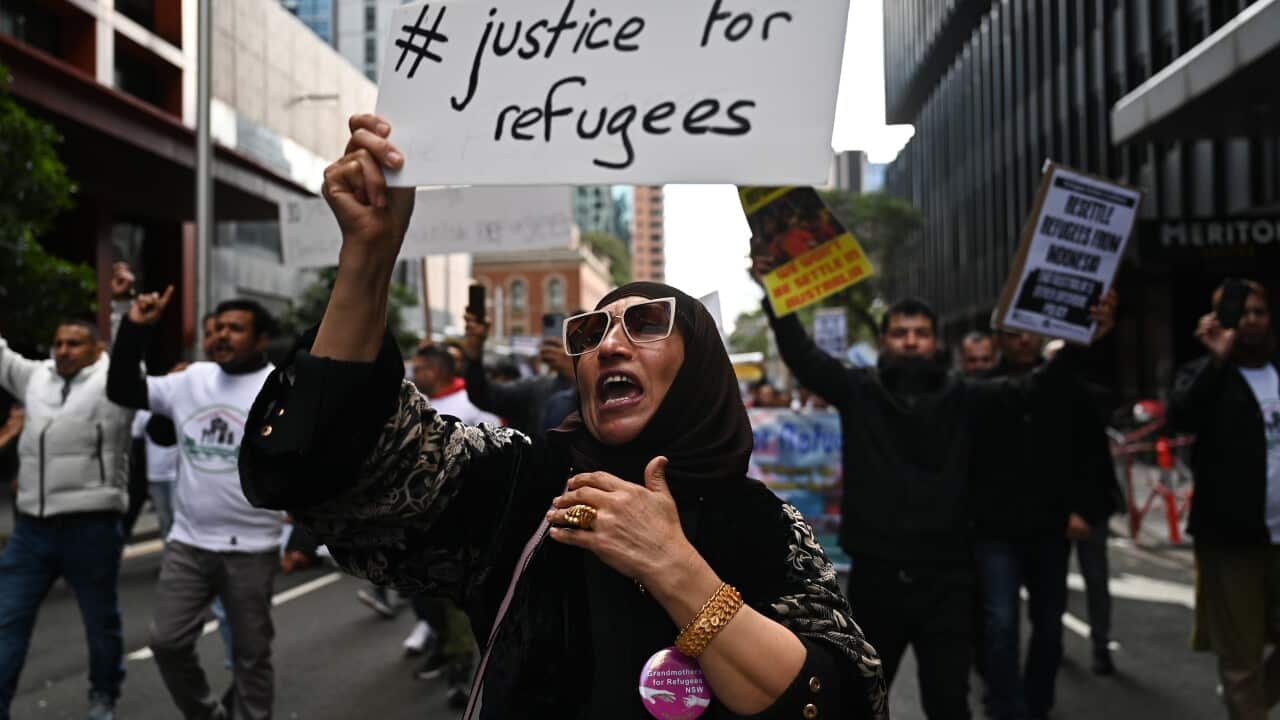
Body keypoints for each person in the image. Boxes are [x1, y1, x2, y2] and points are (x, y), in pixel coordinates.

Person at [238, 114, 888, 719]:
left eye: (644, 324)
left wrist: (675, 569)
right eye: (590, 330)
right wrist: (367, 259)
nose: (607, 344)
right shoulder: (525, 487)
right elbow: (331, 466)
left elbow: (840, 699)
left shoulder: (767, 526)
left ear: (702, 372)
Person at [757, 253, 1117, 718]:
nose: (910, 343)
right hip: (876, 576)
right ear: (885, 340)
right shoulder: (859, 389)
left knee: (949, 702)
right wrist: (773, 290)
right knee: (859, 700)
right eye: (900, 333)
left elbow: (1039, 388)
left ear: (935, 341)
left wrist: (1086, 339)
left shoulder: (965, 395)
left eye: (920, 334)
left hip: (948, 581)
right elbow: (801, 355)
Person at [108, 291, 284, 720]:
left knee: (251, 656)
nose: (222, 336)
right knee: (166, 642)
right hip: (188, 542)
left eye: (235, 329)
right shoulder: (190, 380)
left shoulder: (282, 389)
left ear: (260, 339)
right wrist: (135, 327)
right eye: (218, 328)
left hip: (254, 546)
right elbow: (123, 388)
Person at [972, 330, 1119, 720]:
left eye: (1030, 333)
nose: (1023, 341)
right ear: (1000, 336)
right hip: (994, 528)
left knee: (1049, 627)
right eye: (1014, 333)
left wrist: (1085, 510)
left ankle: (1038, 704)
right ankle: (1004, 706)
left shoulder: (1069, 387)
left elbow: (1090, 453)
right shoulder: (981, 387)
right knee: (1000, 625)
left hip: (1050, 528)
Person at [0, 317, 133, 720]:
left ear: (96, 348)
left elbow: (129, 354)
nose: (62, 350)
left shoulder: (117, 381)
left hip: (91, 527)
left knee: (99, 621)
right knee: (7, 621)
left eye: (74, 343)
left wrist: (126, 310)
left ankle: (103, 697)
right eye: (57, 343)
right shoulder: (35, 377)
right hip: (31, 530)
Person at [1169, 279, 1280, 720]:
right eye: (1240, 313)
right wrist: (1216, 358)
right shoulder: (1204, 376)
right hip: (1232, 540)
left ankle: (1247, 699)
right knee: (1240, 657)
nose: (1251, 320)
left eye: (1259, 311)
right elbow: (1181, 418)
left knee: (1247, 678)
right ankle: (1245, 701)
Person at [1043, 339, 1123, 677]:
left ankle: (1100, 645)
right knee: (1054, 582)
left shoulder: (1089, 398)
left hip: (1090, 506)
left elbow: (1093, 462)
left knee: (1095, 577)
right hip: (1055, 507)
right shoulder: (1041, 399)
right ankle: (1058, 643)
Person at [460, 325, 576, 436]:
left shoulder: (592, 396)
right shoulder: (538, 388)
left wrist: (575, 374)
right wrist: (474, 358)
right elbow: (485, 395)